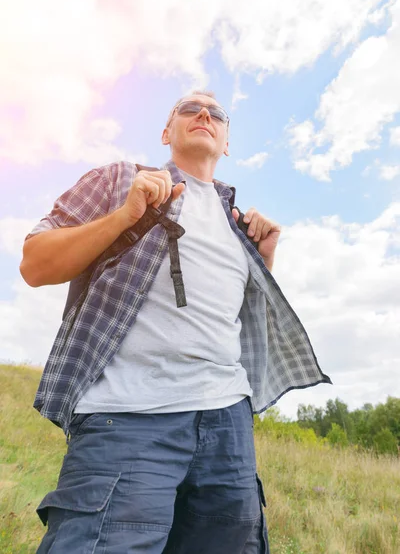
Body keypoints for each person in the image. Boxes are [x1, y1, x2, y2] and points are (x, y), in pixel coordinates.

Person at [20, 90, 331, 553]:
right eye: (190, 109)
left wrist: (264, 263)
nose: (204, 114)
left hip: (228, 425)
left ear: (227, 142)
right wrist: (126, 216)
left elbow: (228, 323)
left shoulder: (238, 225)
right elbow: (34, 264)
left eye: (217, 113)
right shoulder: (120, 180)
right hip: (127, 418)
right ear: (167, 133)